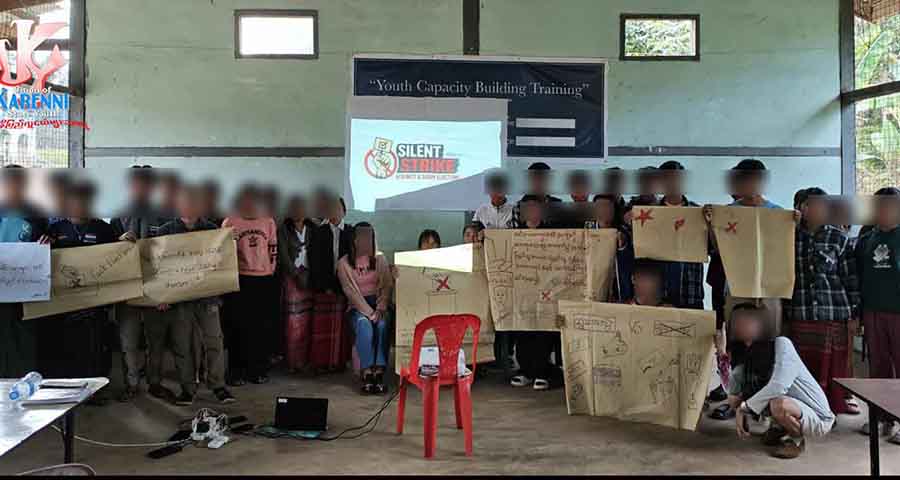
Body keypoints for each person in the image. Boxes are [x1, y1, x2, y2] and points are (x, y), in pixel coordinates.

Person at [38, 181, 116, 404]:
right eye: (75, 201)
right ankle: (65, 391)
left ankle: (95, 392)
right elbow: (42, 258)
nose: (79, 206)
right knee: (65, 347)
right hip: (63, 304)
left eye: (84, 201)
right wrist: (41, 246)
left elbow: (118, 256)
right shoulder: (55, 229)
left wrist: (125, 242)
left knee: (95, 348)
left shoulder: (104, 229)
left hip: (94, 302)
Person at [783, 188, 859, 415]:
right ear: (801, 208)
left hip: (833, 312)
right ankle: (806, 409)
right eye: (810, 205)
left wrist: (855, 314)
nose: (816, 209)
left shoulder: (838, 238)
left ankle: (831, 409)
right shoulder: (788, 237)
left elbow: (851, 278)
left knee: (833, 367)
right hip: (802, 311)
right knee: (803, 365)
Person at [157, 185, 236, 405]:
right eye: (185, 201)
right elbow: (159, 267)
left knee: (214, 341)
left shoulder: (213, 230)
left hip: (208, 297)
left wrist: (230, 242)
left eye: (194, 202)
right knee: (182, 345)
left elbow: (221, 261)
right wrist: (162, 295)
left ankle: (218, 385)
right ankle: (187, 389)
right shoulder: (165, 231)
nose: (189, 206)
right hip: (179, 298)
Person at [726, 303, 835, 459]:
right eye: (737, 321)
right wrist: (722, 353)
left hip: (818, 417)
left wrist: (744, 408)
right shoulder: (743, 353)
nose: (741, 324)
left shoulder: (781, 344)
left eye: (748, 319)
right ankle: (779, 427)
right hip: (789, 405)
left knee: (778, 403)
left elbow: (778, 386)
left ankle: (795, 440)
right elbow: (733, 391)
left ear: (761, 324)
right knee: (739, 399)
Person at [110, 166, 171, 402]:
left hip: (156, 288)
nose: (141, 188)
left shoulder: (165, 215)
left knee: (156, 341)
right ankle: (132, 384)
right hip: (127, 290)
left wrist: (167, 293)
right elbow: (105, 254)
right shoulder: (117, 217)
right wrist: (118, 241)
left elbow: (174, 254)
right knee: (129, 342)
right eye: (136, 184)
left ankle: (155, 383)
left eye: (146, 184)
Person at [855, 187, 900, 439]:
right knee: (879, 366)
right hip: (873, 311)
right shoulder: (866, 239)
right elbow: (859, 276)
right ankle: (882, 417)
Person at [222, 185, 278, 385]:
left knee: (260, 327)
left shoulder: (268, 221)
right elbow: (221, 252)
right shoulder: (230, 222)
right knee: (237, 326)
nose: (250, 204)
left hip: (263, 279)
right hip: (239, 280)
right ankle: (235, 371)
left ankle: (257, 370)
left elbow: (273, 248)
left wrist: (269, 270)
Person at [0, 165, 49, 378]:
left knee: (26, 339)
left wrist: (46, 243)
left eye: (19, 184)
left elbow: (47, 241)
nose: (14, 189)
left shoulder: (37, 214)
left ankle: (26, 382)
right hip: (1, 290)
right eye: (10, 184)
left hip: (27, 291)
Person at [337, 222, 394, 394]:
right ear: (354, 240)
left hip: (379, 304)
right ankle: (367, 371)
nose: (366, 241)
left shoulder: (380, 258)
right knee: (364, 325)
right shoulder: (344, 263)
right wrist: (369, 313)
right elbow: (351, 293)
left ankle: (379, 371)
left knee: (383, 324)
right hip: (357, 306)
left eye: (369, 237)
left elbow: (387, 285)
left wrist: (381, 308)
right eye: (361, 237)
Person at [510, 196, 558, 391]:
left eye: (535, 207)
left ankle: (542, 372)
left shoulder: (553, 233)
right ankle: (525, 371)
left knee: (544, 329)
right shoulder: (513, 235)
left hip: (546, 289)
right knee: (523, 328)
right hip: (522, 289)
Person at [308, 196, 353, 372]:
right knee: (324, 327)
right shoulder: (319, 232)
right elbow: (315, 261)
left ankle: (340, 361)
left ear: (344, 211)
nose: (334, 211)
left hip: (347, 286)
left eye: (338, 208)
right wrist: (324, 286)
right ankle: (323, 362)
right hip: (324, 286)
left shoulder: (351, 232)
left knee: (343, 328)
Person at [657, 161, 704, 310]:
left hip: (690, 290)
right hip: (659, 293)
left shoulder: (698, 212)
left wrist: (710, 225)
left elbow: (710, 249)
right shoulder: (650, 213)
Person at [277, 195, 316, 374]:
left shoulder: (314, 228)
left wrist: (309, 275)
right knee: (293, 323)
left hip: (311, 278)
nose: (298, 211)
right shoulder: (283, 230)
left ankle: (307, 360)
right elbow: (283, 256)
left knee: (308, 321)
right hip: (292, 279)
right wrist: (295, 274)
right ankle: (293, 362)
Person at [512, 162, 562, 227]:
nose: (540, 183)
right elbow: (515, 232)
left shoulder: (558, 204)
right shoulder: (518, 207)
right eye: (536, 179)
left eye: (544, 178)